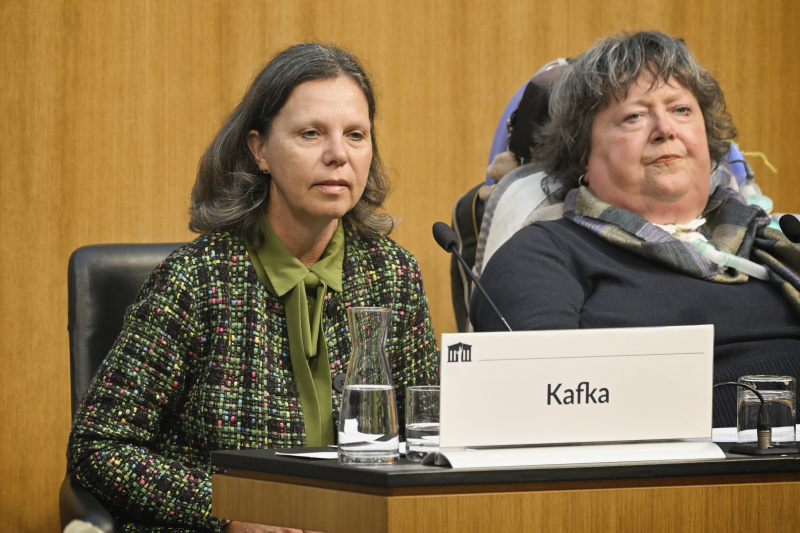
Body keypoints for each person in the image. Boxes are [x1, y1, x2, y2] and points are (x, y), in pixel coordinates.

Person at [67, 43, 439, 533]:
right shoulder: (197, 280)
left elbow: (429, 436)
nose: (338, 155)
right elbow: (99, 447)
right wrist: (229, 508)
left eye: (356, 135)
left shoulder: (392, 274)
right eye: (311, 134)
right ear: (259, 149)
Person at [470, 31, 800, 427]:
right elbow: (545, 417)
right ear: (583, 155)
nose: (664, 129)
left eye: (680, 110)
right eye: (634, 116)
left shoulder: (778, 242)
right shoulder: (542, 257)